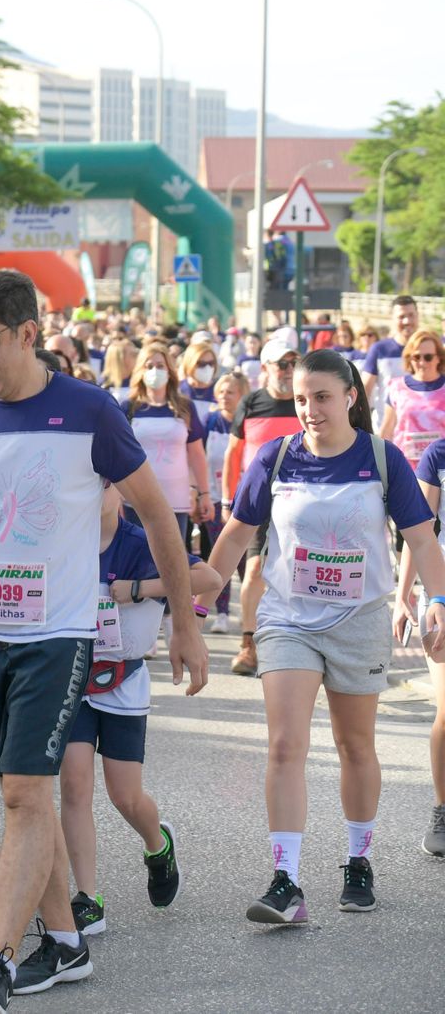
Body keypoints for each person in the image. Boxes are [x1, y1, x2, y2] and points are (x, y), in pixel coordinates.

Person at [0, 271, 208, 1012]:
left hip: (57, 633)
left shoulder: (89, 408)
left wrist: (185, 622)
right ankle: (65, 942)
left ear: (29, 332)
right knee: (17, 792)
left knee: (28, 792)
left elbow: (159, 517)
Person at [206, 349, 445, 926]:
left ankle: (357, 860)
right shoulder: (275, 457)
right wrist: (198, 597)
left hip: (359, 619)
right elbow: (238, 536)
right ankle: (286, 879)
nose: (309, 409)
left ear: (350, 398)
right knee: (285, 744)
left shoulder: (383, 460)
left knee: (354, 746)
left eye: (321, 397)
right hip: (288, 617)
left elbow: (422, 539)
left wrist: (437, 601)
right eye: (300, 398)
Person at [60, 483, 220, 937]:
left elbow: (209, 579)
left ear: (120, 493)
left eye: (102, 487)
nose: (92, 496)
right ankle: (88, 897)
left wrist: (141, 589)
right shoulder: (64, 536)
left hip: (124, 679)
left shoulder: (142, 540)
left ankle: (157, 843)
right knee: (74, 785)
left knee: (125, 796)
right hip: (70, 679)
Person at [224, 338, 302, 676]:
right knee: (254, 570)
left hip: (301, 504)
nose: (286, 371)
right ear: (265, 368)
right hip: (259, 503)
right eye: (280, 364)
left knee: (296, 573)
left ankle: (293, 642)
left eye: (291, 363)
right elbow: (233, 455)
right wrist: (229, 499)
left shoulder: (305, 402)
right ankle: (249, 644)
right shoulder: (251, 403)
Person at [395, 435, 445, 855]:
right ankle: (443, 810)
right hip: (441, 594)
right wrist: (403, 594)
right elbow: (420, 531)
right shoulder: (438, 454)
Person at [123, 340, 212, 538]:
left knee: (172, 563)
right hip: (136, 501)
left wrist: (204, 493)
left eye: (160, 366)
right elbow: (117, 456)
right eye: (149, 366)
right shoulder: (128, 408)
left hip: (176, 500)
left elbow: (196, 454)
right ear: (141, 371)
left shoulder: (184, 407)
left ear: (170, 370)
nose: (155, 370)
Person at [201, 371, 249, 632]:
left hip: (247, 501)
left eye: (230, 392)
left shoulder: (248, 421)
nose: (224, 396)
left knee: (246, 561)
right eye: (220, 391)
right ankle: (221, 612)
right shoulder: (210, 421)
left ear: (242, 395)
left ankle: (249, 610)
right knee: (221, 559)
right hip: (217, 499)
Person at [378, 328, 445, 469]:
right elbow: (387, 429)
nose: (422, 362)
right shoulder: (397, 387)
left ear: (438, 357)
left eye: (428, 357)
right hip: (404, 469)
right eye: (416, 357)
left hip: (441, 469)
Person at [361, 294, 418, 420]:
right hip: (385, 430)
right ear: (392, 318)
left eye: (411, 315)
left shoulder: (429, 350)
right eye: (401, 317)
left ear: (417, 316)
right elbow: (365, 389)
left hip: (421, 429)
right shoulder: (379, 349)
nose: (407, 321)